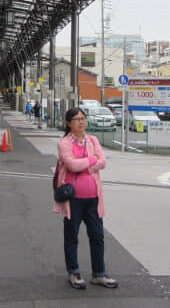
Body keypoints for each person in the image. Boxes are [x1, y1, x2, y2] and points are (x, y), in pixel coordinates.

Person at [53, 107, 118, 290]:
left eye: (83, 118)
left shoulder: (93, 140)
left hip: (93, 198)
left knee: (97, 236)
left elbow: (103, 161)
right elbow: (72, 165)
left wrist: (87, 162)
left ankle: (99, 273)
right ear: (68, 123)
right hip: (73, 199)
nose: (81, 122)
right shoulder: (64, 143)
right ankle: (73, 272)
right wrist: (91, 160)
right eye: (76, 119)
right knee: (72, 236)